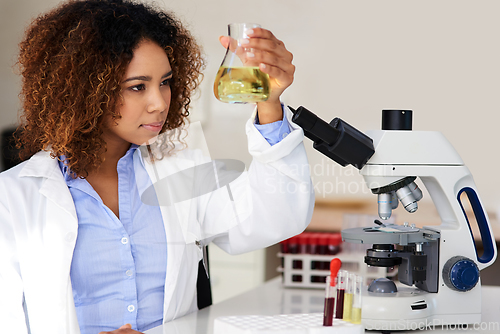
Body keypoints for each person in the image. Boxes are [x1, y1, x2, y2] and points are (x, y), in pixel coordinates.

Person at [0, 0, 314, 333]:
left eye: (164, 82)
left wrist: (269, 104)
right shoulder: (14, 198)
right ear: (82, 91)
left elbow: (271, 216)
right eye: (138, 87)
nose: (159, 102)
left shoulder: (179, 170)